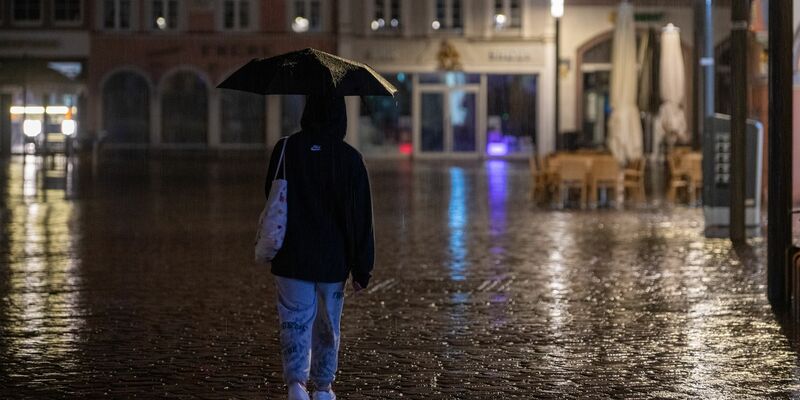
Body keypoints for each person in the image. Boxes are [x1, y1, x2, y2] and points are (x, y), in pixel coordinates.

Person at [264, 95, 375, 400]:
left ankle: (295, 385)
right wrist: (362, 267)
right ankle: (323, 388)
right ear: (342, 118)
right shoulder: (350, 158)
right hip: (332, 261)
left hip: (291, 256)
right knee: (327, 326)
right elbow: (360, 219)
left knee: (294, 321)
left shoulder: (285, 149)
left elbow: (271, 195)